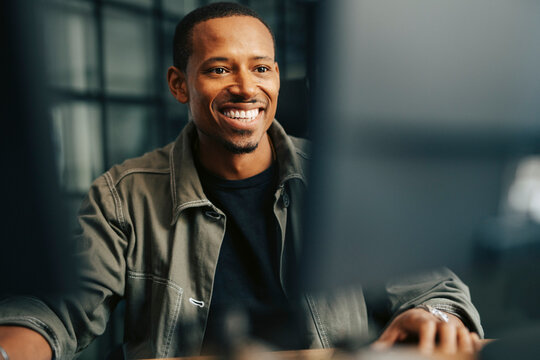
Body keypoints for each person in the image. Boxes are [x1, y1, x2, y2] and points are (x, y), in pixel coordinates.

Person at [0, 2, 484, 359]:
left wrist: (434, 317)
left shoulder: (339, 179)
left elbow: (432, 290)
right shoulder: (123, 196)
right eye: (218, 69)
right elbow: (54, 312)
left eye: (262, 68)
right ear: (179, 85)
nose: (246, 88)